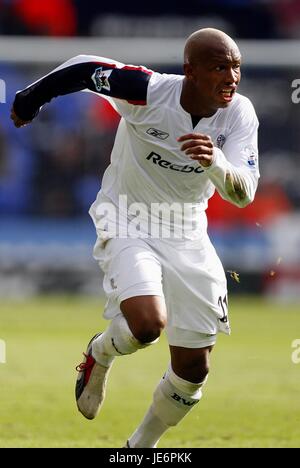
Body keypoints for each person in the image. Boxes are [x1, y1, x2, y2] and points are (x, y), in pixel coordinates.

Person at [11, 28, 259, 448]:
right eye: (220, 67)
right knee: (147, 325)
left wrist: (215, 161)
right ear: (190, 72)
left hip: (188, 233)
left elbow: (243, 194)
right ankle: (100, 354)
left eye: (236, 66)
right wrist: (31, 98)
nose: (231, 77)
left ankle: (138, 449)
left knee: (193, 370)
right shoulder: (146, 91)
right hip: (128, 217)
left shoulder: (239, 114)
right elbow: (85, 68)